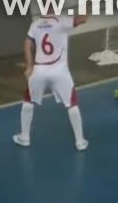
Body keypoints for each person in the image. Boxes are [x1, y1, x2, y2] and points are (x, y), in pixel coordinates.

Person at [13, 14, 89, 151]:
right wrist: (87, 1)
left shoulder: (35, 24)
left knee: (28, 100)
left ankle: (24, 137)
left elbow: (27, 44)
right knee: (72, 102)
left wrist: (29, 66)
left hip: (39, 70)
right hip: (60, 71)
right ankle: (80, 141)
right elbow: (83, 19)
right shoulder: (63, 20)